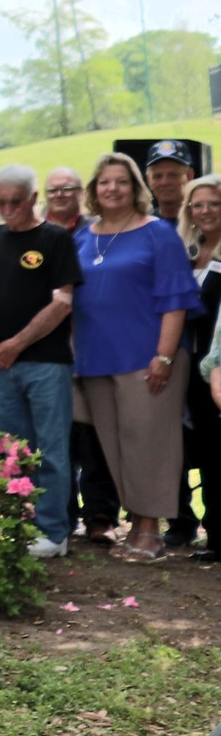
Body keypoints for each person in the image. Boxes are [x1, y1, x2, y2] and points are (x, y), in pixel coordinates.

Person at [71, 152, 202, 562]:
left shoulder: (157, 233)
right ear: (94, 190)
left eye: (121, 181)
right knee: (116, 448)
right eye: (105, 182)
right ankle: (137, 526)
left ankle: (150, 532)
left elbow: (176, 300)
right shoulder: (82, 238)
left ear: (135, 188)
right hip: (95, 361)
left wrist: (164, 357)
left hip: (148, 360)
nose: (112, 188)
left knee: (150, 446)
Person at [0, 165, 84, 559]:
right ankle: (18, 526)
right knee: (12, 451)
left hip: (45, 363)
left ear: (34, 199)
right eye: (1, 202)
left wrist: (15, 345)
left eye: (15, 202)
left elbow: (63, 302)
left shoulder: (55, 239)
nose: (7, 210)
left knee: (50, 450)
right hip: (1, 366)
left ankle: (53, 531)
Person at [42, 163, 116, 540]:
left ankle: (100, 515)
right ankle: (63, 513)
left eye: (68, 189)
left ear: (80, 193)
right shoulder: (32, 235)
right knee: (56, 437)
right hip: (44, 350)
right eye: (53, 190)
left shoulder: (98, 233)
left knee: (94, 435)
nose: (60, 195)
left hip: (93, 345)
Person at [151, 140, 204, 548]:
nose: (166, 181)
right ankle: (180, 520)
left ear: (189, 176)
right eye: (158, 174)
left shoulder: (205, 223)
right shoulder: (144, 226)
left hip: (203, 346)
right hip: (160, 346)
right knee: (168, 437)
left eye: (174, 173)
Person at [178, 175, 221, 559]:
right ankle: (215, 534)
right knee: (207, 453)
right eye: (198, 204)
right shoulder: (187, 253)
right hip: (190, 369)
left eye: (214, 203)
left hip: (219, 366)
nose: (205, 211)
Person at [148, 139, 195, 223]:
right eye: (157, 176)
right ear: (149, 180)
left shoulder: (204, 223)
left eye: (173, 175)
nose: (164, 182)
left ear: (189, 176)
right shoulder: (142, 225)